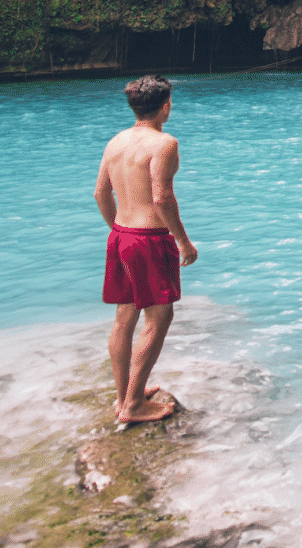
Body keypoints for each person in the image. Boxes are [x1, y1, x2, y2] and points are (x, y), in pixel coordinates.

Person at [95, 74, 198, 423]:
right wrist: (183, 240)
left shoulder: (115, 142)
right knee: (159, 317)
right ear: (165, 106)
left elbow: (99, 194)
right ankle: (134, 405)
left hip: (122, 235)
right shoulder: (164, 143)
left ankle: (124, 395)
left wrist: (119, 232)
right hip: (149, 239)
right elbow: (161, 197)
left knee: (125, 317)